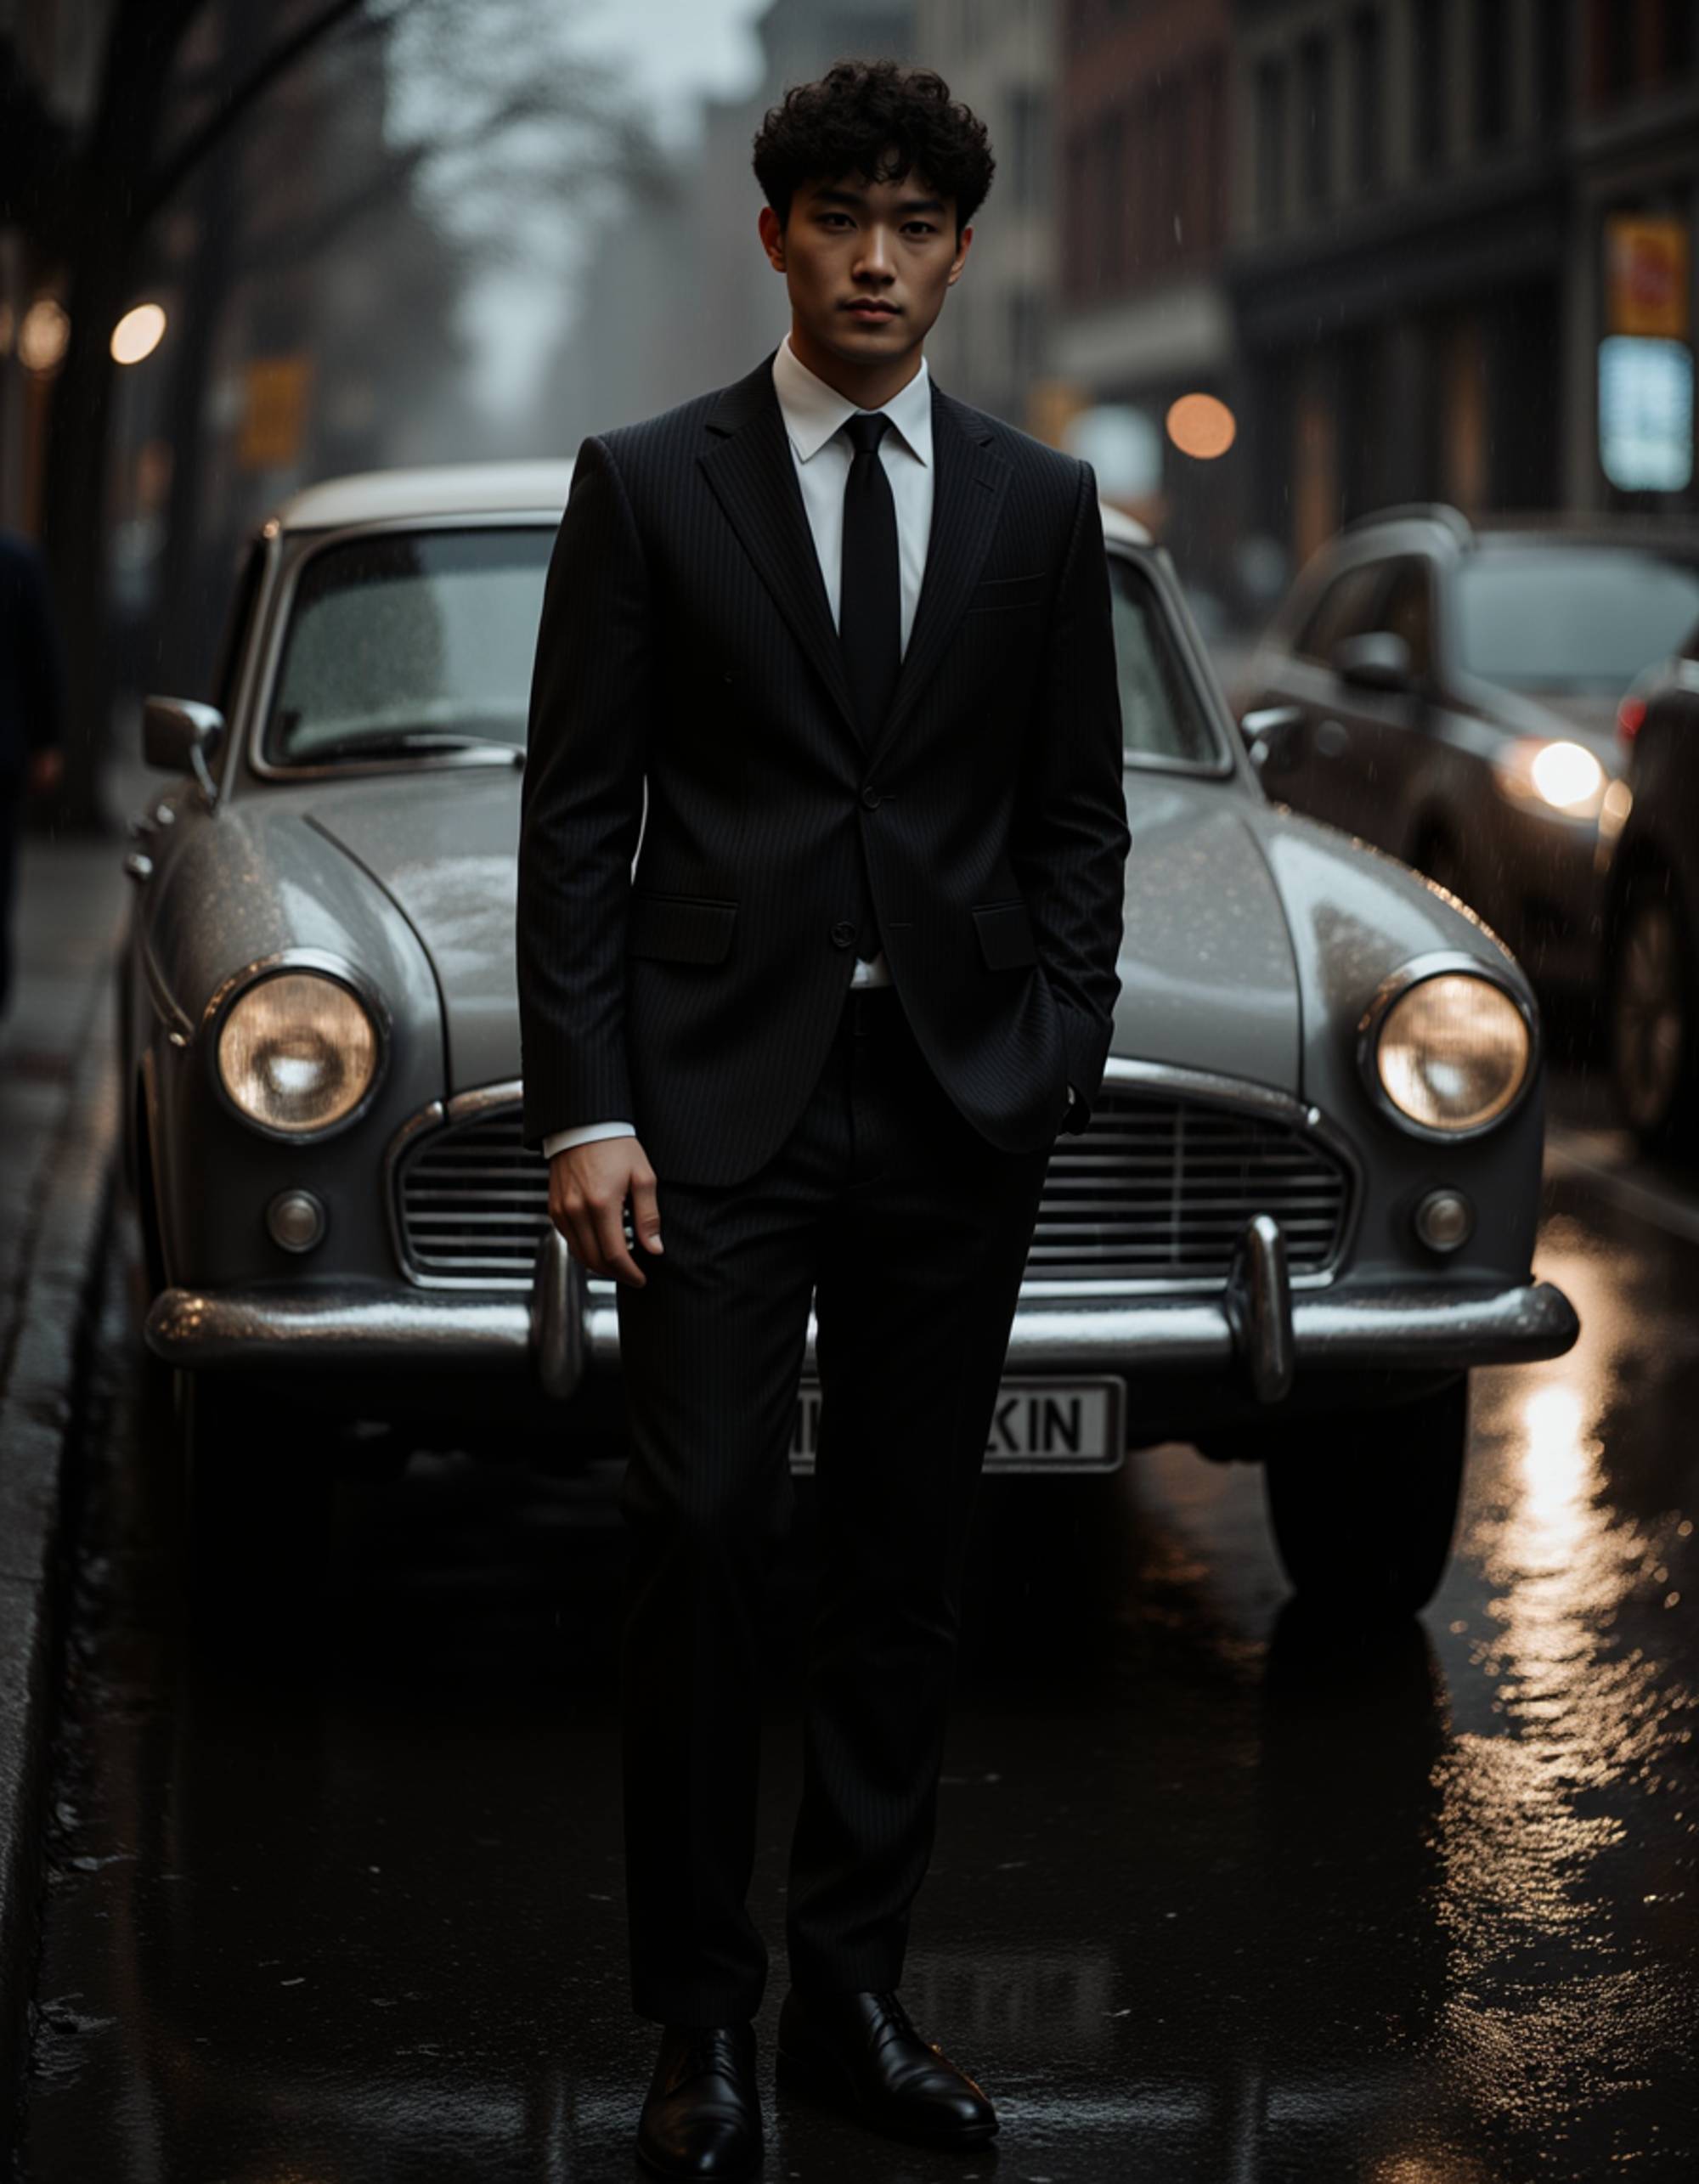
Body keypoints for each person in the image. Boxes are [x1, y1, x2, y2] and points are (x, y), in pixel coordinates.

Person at [516, 58, 1129, 2181]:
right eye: (838, 219)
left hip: (954, 1103)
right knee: (694, 1533)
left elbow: (1074, 816)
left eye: (916, 227)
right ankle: (701, 2026)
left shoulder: (1041, 510)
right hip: (708, 1105)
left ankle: (852, 1990)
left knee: (902, 1555)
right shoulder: (650, 482)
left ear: (957, 249)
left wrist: (1053, 1047)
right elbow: (576, 822)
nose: (876, 260)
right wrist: (584, 1106)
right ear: (770, 233)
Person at [0, 528, 66, 1024]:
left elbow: (41, 658)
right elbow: (42, 657)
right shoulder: (17, 561)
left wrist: (46, 739)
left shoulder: (18, 562)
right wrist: (46, 740)